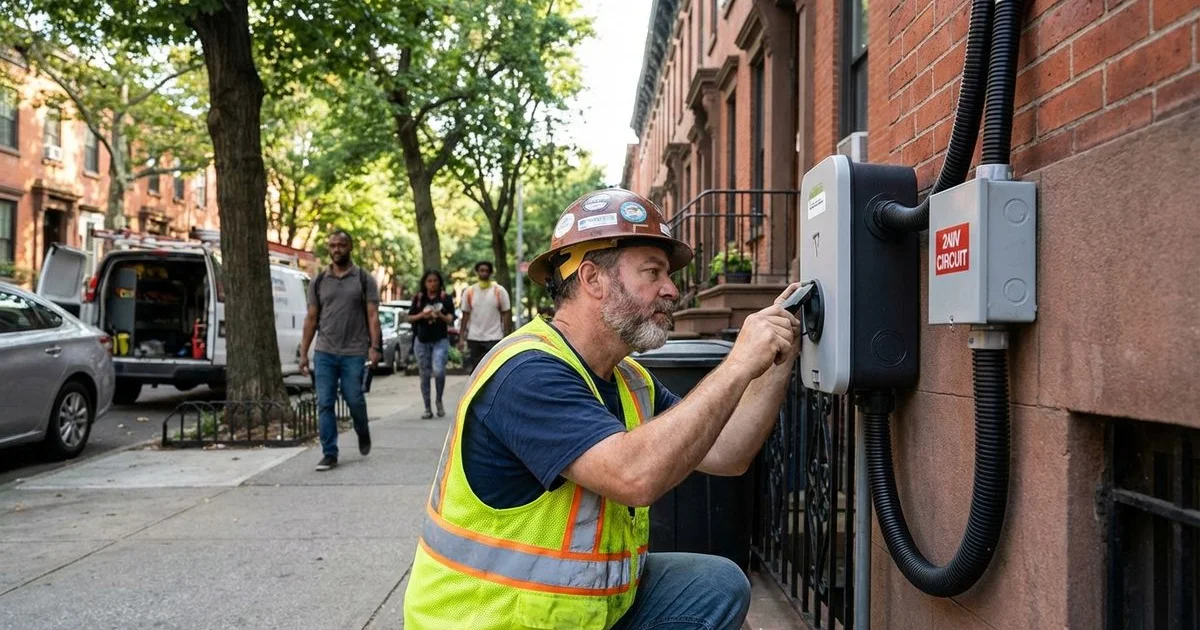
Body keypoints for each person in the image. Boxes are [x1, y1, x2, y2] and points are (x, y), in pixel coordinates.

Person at [403, 188, 802, 630]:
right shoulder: (526, 373)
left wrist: (773, 363)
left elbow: (729, 453)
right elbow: (634, 477)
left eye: (667, 275)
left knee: (717, 584)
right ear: (593, 279)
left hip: (575, 614)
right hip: (491, 620)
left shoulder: (629, 380)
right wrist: (738, 362)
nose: (671, 290)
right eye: (652, 272)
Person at [299, 230, 382, 472]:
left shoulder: (364, 279)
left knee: (354, 398)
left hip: (354, 351)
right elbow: (311, 319)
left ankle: (362, 428)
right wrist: (304, 353)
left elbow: (373, 316)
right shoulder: (319, 280)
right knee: (325, 403)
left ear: (350, 247)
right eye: (333, 245)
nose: (337, 249)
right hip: (324, 351)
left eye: (341, 245)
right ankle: (329, 453)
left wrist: (374, 347)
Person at [408, 270, 456, 419]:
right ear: (424, 283)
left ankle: (439, 400)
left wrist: (439, 314)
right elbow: (409, 318)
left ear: (439, 282)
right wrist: (423, 315)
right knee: (424, 375)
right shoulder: (419, 298)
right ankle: (427, 408)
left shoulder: (445, 298)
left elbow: (450, 319)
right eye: (429, 281)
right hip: (421, 341)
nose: (432, 283)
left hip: (440, 340)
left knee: (439, 371)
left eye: (435, 280)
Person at [459, 260, 512, 372]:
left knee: (493, 370)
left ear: (491, 273)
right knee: (476, 371)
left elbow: (506, 313)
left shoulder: (499, 291)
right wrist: (461, 338)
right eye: (481, 271)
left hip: (494, 337)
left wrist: (506, 335)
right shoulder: (469, 292)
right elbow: (465, 315)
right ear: (477, 272)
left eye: (487, 271)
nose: (484, 273)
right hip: (474, 337)